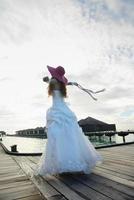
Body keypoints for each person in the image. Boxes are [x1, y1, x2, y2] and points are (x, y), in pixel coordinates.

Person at [35, 65, 102, 176]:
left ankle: (64, 162)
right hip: (64, 110)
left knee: (58, 136)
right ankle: (73, 161)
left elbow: (47, 80)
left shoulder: (53, 82)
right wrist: (69, 83)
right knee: (71, 136)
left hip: (57, 111)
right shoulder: (62, 85)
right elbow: (62, 82)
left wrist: (46, 80)